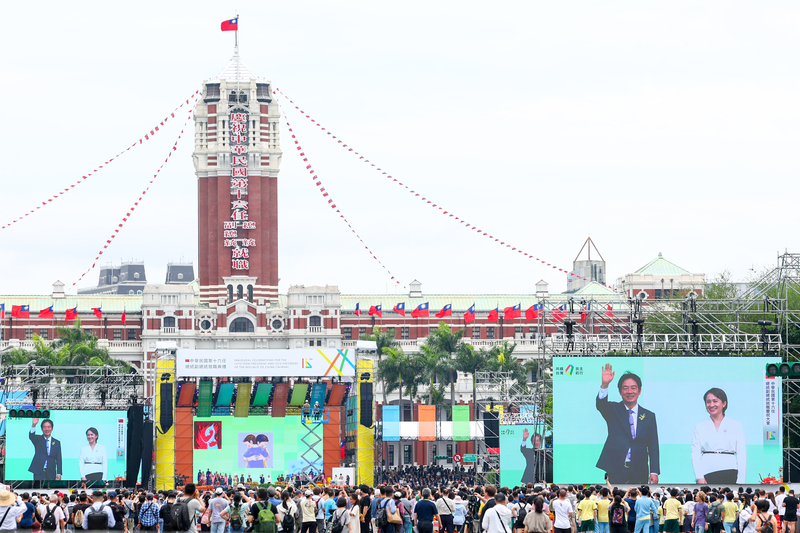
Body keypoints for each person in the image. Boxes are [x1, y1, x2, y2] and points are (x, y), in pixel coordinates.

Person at [596, 365, 660, 484]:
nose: (629, 391)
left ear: (639, 391)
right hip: (616, 470)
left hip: (640, 470)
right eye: (625, 388)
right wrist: (605, 385)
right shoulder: (613, 410)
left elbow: (653, 446)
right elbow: (601, 405)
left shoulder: (649, 416)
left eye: (633, 388)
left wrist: (654, 471)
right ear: (620, 391)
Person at [691, 388, 747, 484]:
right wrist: (699, 476)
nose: (711, 405)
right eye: (708, 402)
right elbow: (695, 453)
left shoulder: (735, 425)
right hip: (707, 471)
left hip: (730, 470)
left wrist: (741, 480)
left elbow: (742, 454)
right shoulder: (700, 426)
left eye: (715, 401)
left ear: (724, 403)